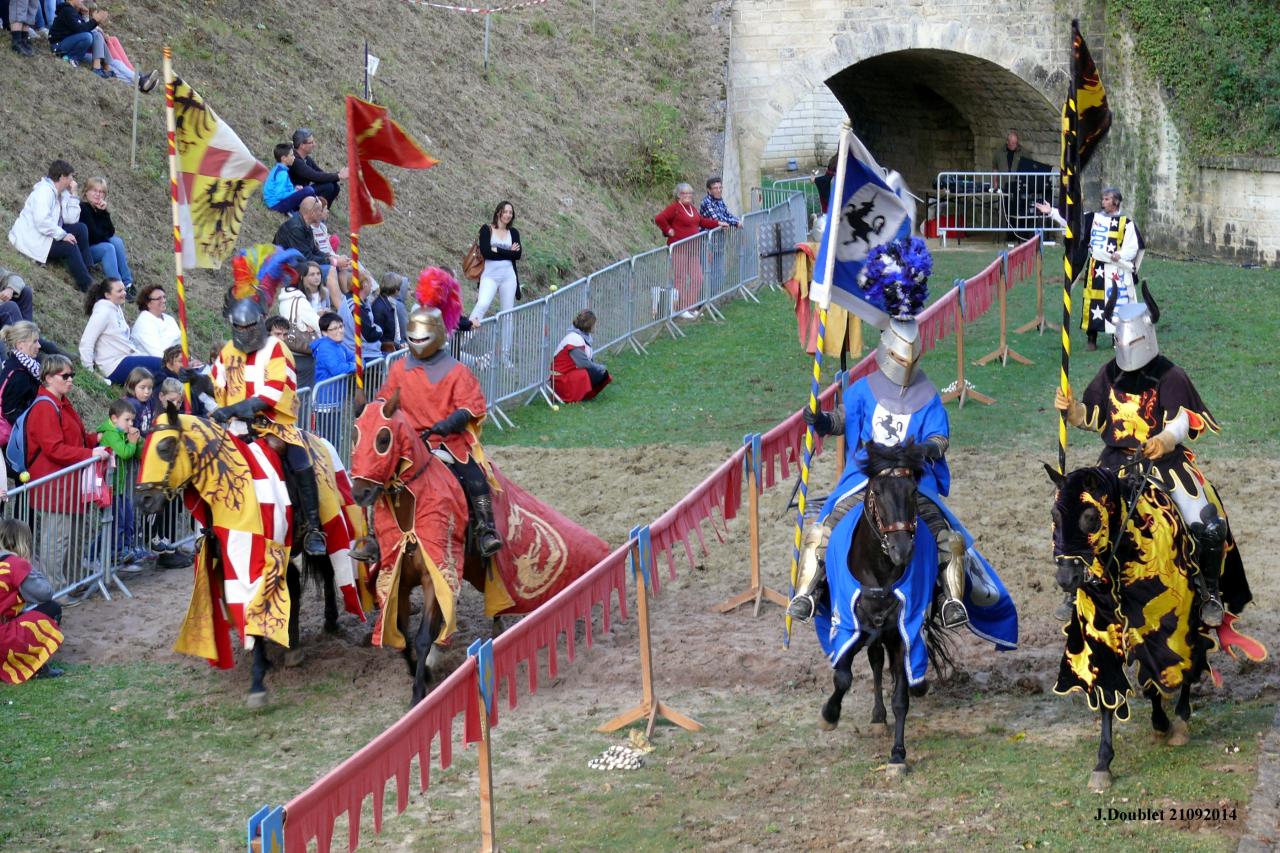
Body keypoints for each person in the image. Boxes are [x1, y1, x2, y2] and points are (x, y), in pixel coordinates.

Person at [787, 239, 1016, 648]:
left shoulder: (927, 395)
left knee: (948, 535)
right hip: (865, 475)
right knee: (822, 531)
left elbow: (939, 436)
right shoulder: (863, 388)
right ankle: (808, 592)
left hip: (912, 480)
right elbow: (846, 419)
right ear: (887, 351)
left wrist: (927, 450)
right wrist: (822, 421)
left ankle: (951, 600)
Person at [1054, 285, 1234, 626]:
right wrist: (1072, 409)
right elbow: (1094, 415)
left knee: (1208, 525)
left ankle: (1209, 592)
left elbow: (1184, 419)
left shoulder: (1170, 374)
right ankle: (1075, 589)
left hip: (1165, 465)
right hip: (1115, 464)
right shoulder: (1110, 373)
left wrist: (1165, 439)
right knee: (1080, 516)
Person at [380, 267, 502, 556]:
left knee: (476, 479)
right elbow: (386, 403)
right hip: (408, 443)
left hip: (447, 442)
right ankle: (374, 537)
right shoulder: (399, 369)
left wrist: (450, 423)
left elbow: (470, 406)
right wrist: (374, 411)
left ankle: (485, 528)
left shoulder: (456, 371)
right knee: (374, 478)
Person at [210, 296, 326, 555]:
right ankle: (212, 528)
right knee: (208, 465)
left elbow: (271, 394)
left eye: (247, 327)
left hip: (273, 424)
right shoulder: (228, 351)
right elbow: (217, 383)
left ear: (259, 323)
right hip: (236, 427)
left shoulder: (276, 348)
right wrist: (195, 380)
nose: (243, 333)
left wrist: (229, 409)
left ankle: (312, 527)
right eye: (238, 328)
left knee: (300, 459)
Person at [26, 354, 109, 589]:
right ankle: (56, 588)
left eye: (72, 375)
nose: (71, 379)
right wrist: (89, 454)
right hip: (54, 485)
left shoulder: (60, 402)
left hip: (68, 483)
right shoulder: (45, 406)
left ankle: (72, 581)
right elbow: (54, 448)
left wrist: (96, 440)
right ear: (49, 377)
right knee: (57, 540)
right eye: (65, 375)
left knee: (70, 537)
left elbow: (74, 439)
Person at [1036, 188, 1145, 351]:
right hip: (1096, 267)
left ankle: (1117, 337)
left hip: (1115, 269)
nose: (1103, 202)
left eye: (1107, 199)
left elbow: (1133, 247)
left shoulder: (1126, 223)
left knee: (1117, 303)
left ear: (1116, 202)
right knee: (1093, 301)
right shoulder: (1094, 218)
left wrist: (1119, 254)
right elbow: (1072, 223)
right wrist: (1051, 211)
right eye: (1103, 199)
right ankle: (1091, 338)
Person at [8, 160, 93, 292]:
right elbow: (42, 222)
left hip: (49, 233)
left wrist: (74, 195)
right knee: (70, 246)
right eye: (71, 176)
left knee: (81, 228)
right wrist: (63, 235)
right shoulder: (44, 192)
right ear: (62, 177)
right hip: (35, 239)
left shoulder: (62, 193)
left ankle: (86, 271)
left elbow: (72, 219)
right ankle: (88, 287)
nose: (72, 180)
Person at [0, 519, 65, 683]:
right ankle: (36, 667)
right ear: (24, 542)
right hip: (2, 636)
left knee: (19, 614)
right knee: (52, 609)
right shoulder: (16, 564)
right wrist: (30, 566)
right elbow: (45, 594)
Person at [654, 182, 722, 319]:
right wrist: (668, 230)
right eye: (685, 193)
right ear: (679, 195)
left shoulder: (691, 208)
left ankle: (691, 307)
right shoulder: (675, 208)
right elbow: (659, 218)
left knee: (698, 278)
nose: (688, 196)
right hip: (680, 248)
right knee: (681, 278)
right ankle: (681, 309)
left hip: (693, 248)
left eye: (690, 193)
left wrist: (717, 223)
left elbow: (700, 221)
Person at [78, 279, 164, 384]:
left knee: (164, 374)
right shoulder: (102, 312)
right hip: (114, 365)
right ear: (107, 295)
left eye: (124, 289)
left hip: (125, 359)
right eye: (119, 291)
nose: (124, 293)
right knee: (163, 365)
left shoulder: (116, 307)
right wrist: (89, 371)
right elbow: (87, 341)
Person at [95, 398, 143, 567]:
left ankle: (124, 551)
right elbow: (124, 453)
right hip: (109, 489)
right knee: (115, 523)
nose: (130, 423)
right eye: (127, 420)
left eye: (132, 420)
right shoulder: (110, 434)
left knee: (127, 519)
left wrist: (138, 440)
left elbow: (139, 453)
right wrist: (132, 442)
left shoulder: (122, 433)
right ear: (115, 419)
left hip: (119, 487)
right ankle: (97, 555)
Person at [469, 201, 523, 330]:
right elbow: (487, 253)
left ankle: (505, 350)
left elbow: (517, 255)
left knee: (507, 314)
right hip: (490, 275)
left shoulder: (513, 232)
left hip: (508, 277)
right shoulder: (486, 229)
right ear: (498, 212)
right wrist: (509, 252)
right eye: (505, 212)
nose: (508, 215)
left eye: (510, 212)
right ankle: (462, 340)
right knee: (482, 304)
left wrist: (497, 250)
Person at [273, 197, 343, 294]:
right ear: (312, 213)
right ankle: (339, 305)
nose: (321, 213)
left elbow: (314, 251)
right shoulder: (295, 228)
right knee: (331, 270)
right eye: (320, 210)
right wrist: (333, 262)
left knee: (341, 269)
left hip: (299, 264)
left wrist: (332, 257)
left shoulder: (306, 226)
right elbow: (306, 258)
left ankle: (345, 303)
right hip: (285, 270)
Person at [79, 176, 133, 296]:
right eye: (94, 190)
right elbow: (94, 236)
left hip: (96, 244)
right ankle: (117, 287)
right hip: (85, 251)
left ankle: (128, 283)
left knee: (117, 242)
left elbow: (110, 231)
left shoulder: (98, 209)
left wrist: (104, 212)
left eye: (101, 192)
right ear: (86, 191)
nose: (98, 194)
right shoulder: (83, 208)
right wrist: (103, 234)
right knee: (108, 247)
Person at [310, 312, 354, 448]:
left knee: (335, 439)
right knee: (329, 442)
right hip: (325, 403)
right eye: (334, 328)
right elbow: (337, 369)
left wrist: (354, 365)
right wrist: (354, 366)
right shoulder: (325, 347)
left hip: (335, 400)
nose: (339, 331)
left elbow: (356, 358)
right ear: (324, 332)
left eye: (341, 326)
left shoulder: (339, 345)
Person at [551, 309, 611, 403]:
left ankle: (584, 396)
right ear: (589, 325)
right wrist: (599, 367)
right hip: (560, 379)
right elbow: (583, 363)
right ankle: (571, 397)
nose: (595, 326)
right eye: (594, 324)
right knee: (587, 373)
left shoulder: (583, 337)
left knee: (603, 374)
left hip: (567, 374)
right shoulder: (574, 338)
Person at [0, 322, 43, 430]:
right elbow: (11, 413)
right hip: (14, 439)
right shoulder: (19, 375)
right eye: (35, 341)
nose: (39, 345)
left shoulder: (18, 364)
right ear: (20, 345)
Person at [287, 128, 347, 206]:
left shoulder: (307, 159)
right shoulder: (295, 161)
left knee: (335, 186)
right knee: (328, 187)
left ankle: (321, 214)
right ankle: (309, 212)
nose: (314, 145)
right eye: (311, 142)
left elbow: (321, 174)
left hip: (303, 192)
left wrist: (339, 174)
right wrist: (339, 175)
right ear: (302, 145)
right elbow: (315, 176)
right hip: (293, 196)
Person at [130, 284, 182, 358]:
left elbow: (181, 345)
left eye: (164, 297)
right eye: (158, 298)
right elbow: (158, 354)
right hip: (154, 365)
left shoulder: (169, 319)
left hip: (176, 361)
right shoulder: (144, 323)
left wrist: (189, 360)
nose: (163, 300)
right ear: (148, 303)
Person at [263, 143, 316, 215]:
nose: (294, 157)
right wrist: (295, 192)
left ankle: (302, 212)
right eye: (291, 155)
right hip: (275, 205)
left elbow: (282, 188)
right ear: (283, 158)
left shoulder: (278, 169)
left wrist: (295, 188)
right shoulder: (282, 174)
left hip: (274, 203)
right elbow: (279, 195)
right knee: (309, 190)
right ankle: (308, 213)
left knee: (306, 190)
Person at [121, 366, 155, 432]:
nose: (147, 392)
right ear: (132, 386)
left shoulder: (150, 401)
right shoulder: (131, 404)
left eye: (150, 388)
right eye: (142, 388)